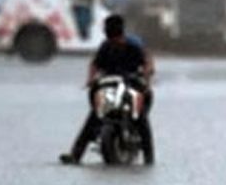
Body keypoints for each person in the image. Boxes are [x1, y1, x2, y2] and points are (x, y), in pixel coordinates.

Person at [59, 14, 155, 165]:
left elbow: (147, 62)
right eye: (111, 39)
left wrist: (146, 77)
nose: (114, 42)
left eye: (116, 39)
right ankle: (75, 155)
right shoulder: (105, 46)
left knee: (141, 117)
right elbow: (94, 64)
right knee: (94, 116)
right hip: (109, 85)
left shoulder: (134, 46)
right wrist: (90, 79)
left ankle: (149, 158)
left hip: (131, 84)